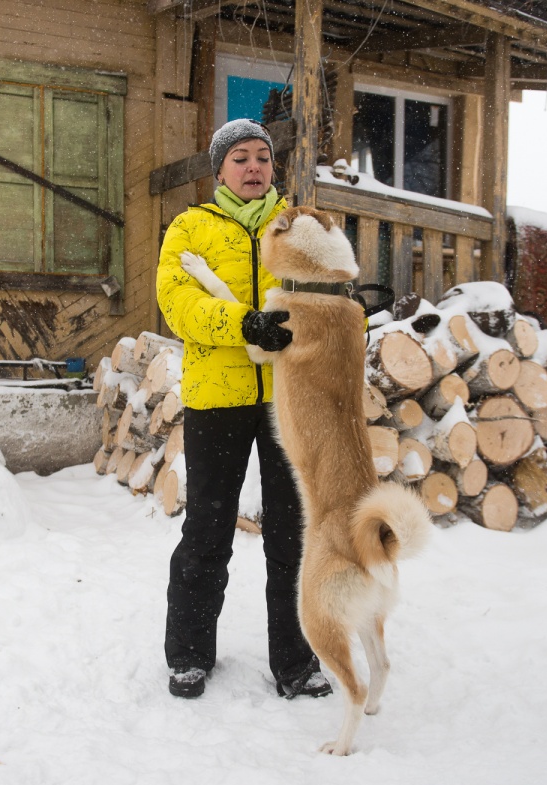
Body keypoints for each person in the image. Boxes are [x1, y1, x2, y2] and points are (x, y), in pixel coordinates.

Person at [156, 118, 332, 701]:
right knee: (207, 530)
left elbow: (330, 291)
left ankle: (296, 660)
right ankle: (188, 655)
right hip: (218, 399)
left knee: (293, 535)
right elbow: (178, 304)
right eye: (240, 158)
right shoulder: (191, 227)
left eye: (262, 156)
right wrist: (243, 324)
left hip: (288, 399)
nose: (254, 166)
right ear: (220, 170)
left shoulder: (298, 228)